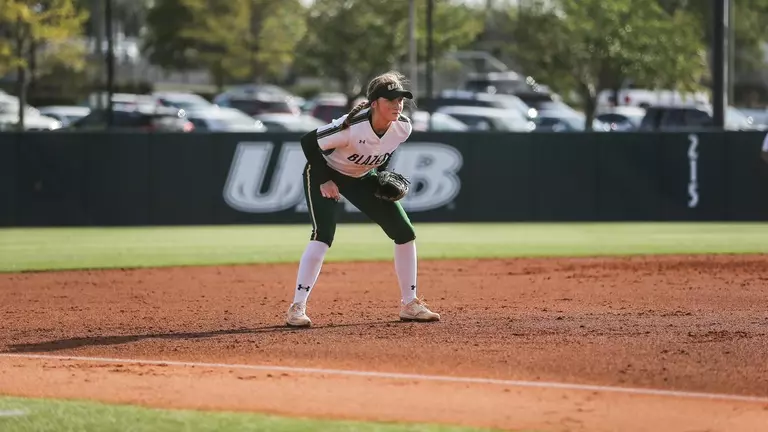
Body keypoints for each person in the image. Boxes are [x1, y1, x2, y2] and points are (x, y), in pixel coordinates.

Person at [285, 71, 441, 327]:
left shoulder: (402, 127)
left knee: (404, 232)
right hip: (325, 171)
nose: (397, 104)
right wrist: (325, 180)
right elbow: (308, 142)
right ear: (374, 103)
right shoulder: (350, 127)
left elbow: (383, 152)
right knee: (323, 234)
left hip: (361, 176)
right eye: (390, 99)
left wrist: (380, 175)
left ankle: (410, 304)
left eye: (400, 99)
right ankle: (297, 307)